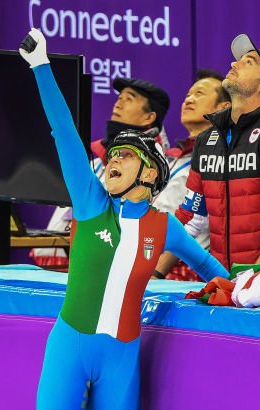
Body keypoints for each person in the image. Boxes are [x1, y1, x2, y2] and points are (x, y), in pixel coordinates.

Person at [18, 29, 227, 410]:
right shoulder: (89, 203)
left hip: (121, 363)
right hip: (70, 350)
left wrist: (242, 289)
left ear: (151, 173)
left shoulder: (165, 228)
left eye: (124, 157)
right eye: (111, 155)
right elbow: (61, 132)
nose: (110, 161)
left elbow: (222, 277)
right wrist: (40, 68)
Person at [173, 33, 260, 287]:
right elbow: (191, 217)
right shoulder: (207, 141)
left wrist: (253, 280)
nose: (234, 64)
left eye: (249, 62)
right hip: (226, 284)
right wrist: (155, 274)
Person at [34, 74, 171, 270]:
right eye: (119, 97)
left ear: (149, 117)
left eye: (129, 99)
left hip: (108, 267)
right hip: (59, 260)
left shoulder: (155, 169)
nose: (119, 103)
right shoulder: (97, 158)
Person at [153, 69, 231, 281]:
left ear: (223, 107)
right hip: (150, 259)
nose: (189, 99)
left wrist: (157, 272)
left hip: (182, 270)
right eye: (188, 94)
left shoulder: (224, 156)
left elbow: (195, 221)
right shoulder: (171, 156)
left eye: (199, 93)